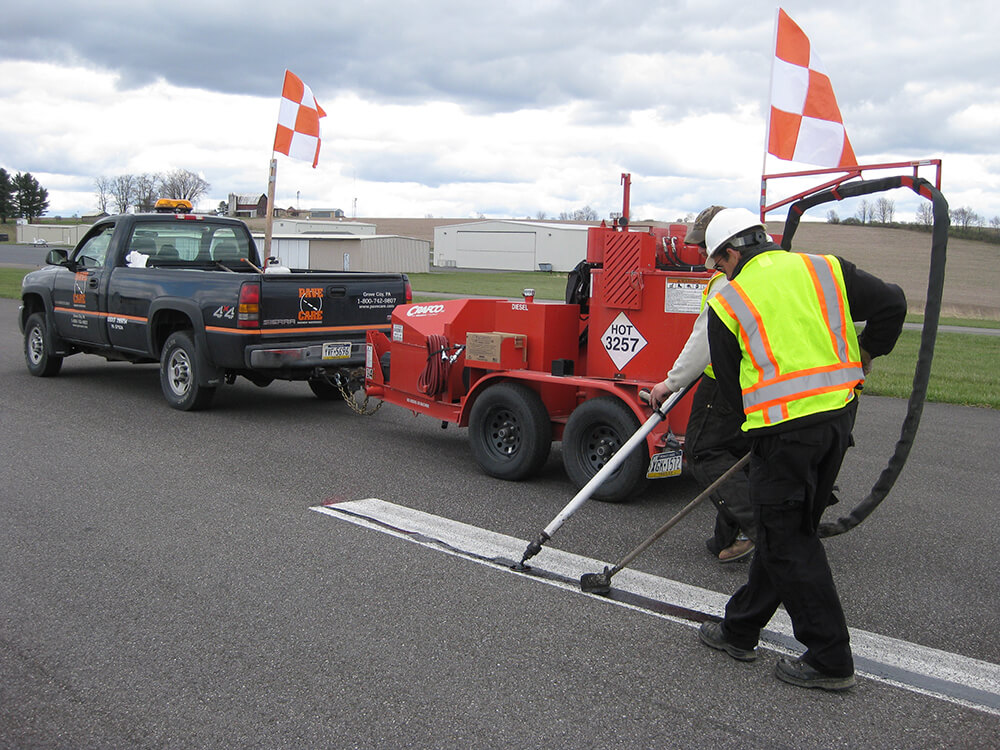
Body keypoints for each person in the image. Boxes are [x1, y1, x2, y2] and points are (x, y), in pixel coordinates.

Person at [696, 207, 905, 691]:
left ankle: (830, 657)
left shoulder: (730, 303)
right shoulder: (823, 268)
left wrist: (760, 430)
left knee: (788, 539)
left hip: (784, 435)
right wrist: (867, 351)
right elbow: (892, 303)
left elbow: (731, 391)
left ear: (731, 252)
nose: (718, 273)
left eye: (717, 263)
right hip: (838, 421)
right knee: (783, 529)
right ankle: (740, 628)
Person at [649, 205, 757, 563]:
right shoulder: (764, 272)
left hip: (722, 383)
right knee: (739, 456)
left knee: (702, 453)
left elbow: (705, 339)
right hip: (757, 383)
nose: (698, 253)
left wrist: (670, 383)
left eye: (703, 246)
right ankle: (727, 537)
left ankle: (758, 527)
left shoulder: (728, 280)